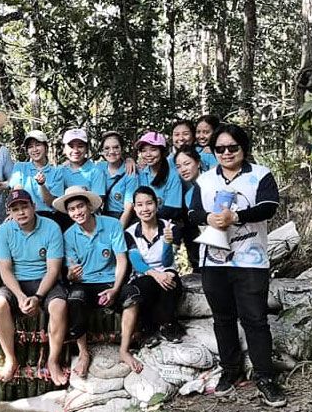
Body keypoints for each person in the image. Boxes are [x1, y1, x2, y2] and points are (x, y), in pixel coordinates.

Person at [188, 124, 286, 407]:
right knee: (223, 318)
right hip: (213, 260)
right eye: (220, 149)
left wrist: (236, 217)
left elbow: (269, 206)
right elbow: (193, 212)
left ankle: (265, 377)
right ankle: (231, 370)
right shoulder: (205, 180)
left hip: (251, 260)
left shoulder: (260, 175)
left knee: (255, 318)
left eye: (233, 147)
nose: (227, 153)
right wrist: (209, 218)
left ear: (243, 148)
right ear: (214, 151)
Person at [56, 186, 138, 380]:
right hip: (84, 284)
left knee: (132, 296)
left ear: (90, 206)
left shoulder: (112, 225)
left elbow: (121, 260)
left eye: (80, 206)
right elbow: (70, 271)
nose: (77, 212)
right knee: (74, 299)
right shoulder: (68, 235)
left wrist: (115, 289)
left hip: (109, 281)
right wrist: (71, 276)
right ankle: (83, 352)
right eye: (72, 209)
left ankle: (124, 349)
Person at [0, 189, 69, 383]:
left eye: (24, 206)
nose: (21, 212)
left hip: (45, 281)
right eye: (15, 209)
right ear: (10, 213)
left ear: (34, 207)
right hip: (16, 283)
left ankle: (53, 360)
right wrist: (19, 296)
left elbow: (53, 269)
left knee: (59, 306)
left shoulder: (51, 227)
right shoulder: (4, 231)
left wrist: (39, 297)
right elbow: (5, 270)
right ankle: (10, 359)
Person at [123, 186, 183, 351]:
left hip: (166, 271)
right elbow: (136, 262)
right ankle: (147, 328)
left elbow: (167, 260)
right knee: (146, 285)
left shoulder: (171, 227)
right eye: (140, 205)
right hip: (144, 274)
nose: (145, 209)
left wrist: (168, 242)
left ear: (157, 205)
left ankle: (168, 323)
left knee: (171, 281)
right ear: (134, 208)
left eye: (149, 203)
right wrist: (155, 274)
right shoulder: (130, 232)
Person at [8, 130, 66, 227]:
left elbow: (51, 202)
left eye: (38, 145)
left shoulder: (57, 172)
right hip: (25, 215)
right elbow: (18, 191)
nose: (34, 149)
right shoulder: (20, 167)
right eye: (30, 147)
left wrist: (42, 185)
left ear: (46, 147)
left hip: (49, 217)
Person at [132, 132, 182, 220]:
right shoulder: (141, 173)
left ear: (162, 151)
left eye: (153, 149)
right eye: (144, 150)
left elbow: (172, 209)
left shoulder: (172, 175)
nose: (148, 154)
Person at [98, 131, 138, 227]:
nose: (111, 152)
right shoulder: (99, 168)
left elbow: (128, 209)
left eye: (116, 147)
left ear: (122, 149)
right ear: (102, 151)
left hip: (122, 217)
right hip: (103, 217)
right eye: (107, 148)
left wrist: (119, 231)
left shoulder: (130, 172)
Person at [173, 145, 203, 272]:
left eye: (187, 164)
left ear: (198, 163)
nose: (183, 169)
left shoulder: (214, 182)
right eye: (178, 166)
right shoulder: (188, 194)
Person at [60, 128, 105, 197]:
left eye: (80, 146)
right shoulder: (60, 171)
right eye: (71, 146)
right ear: (64, 149)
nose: (76, 150)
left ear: (86, 148)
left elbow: (98, 201)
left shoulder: (95, 171)